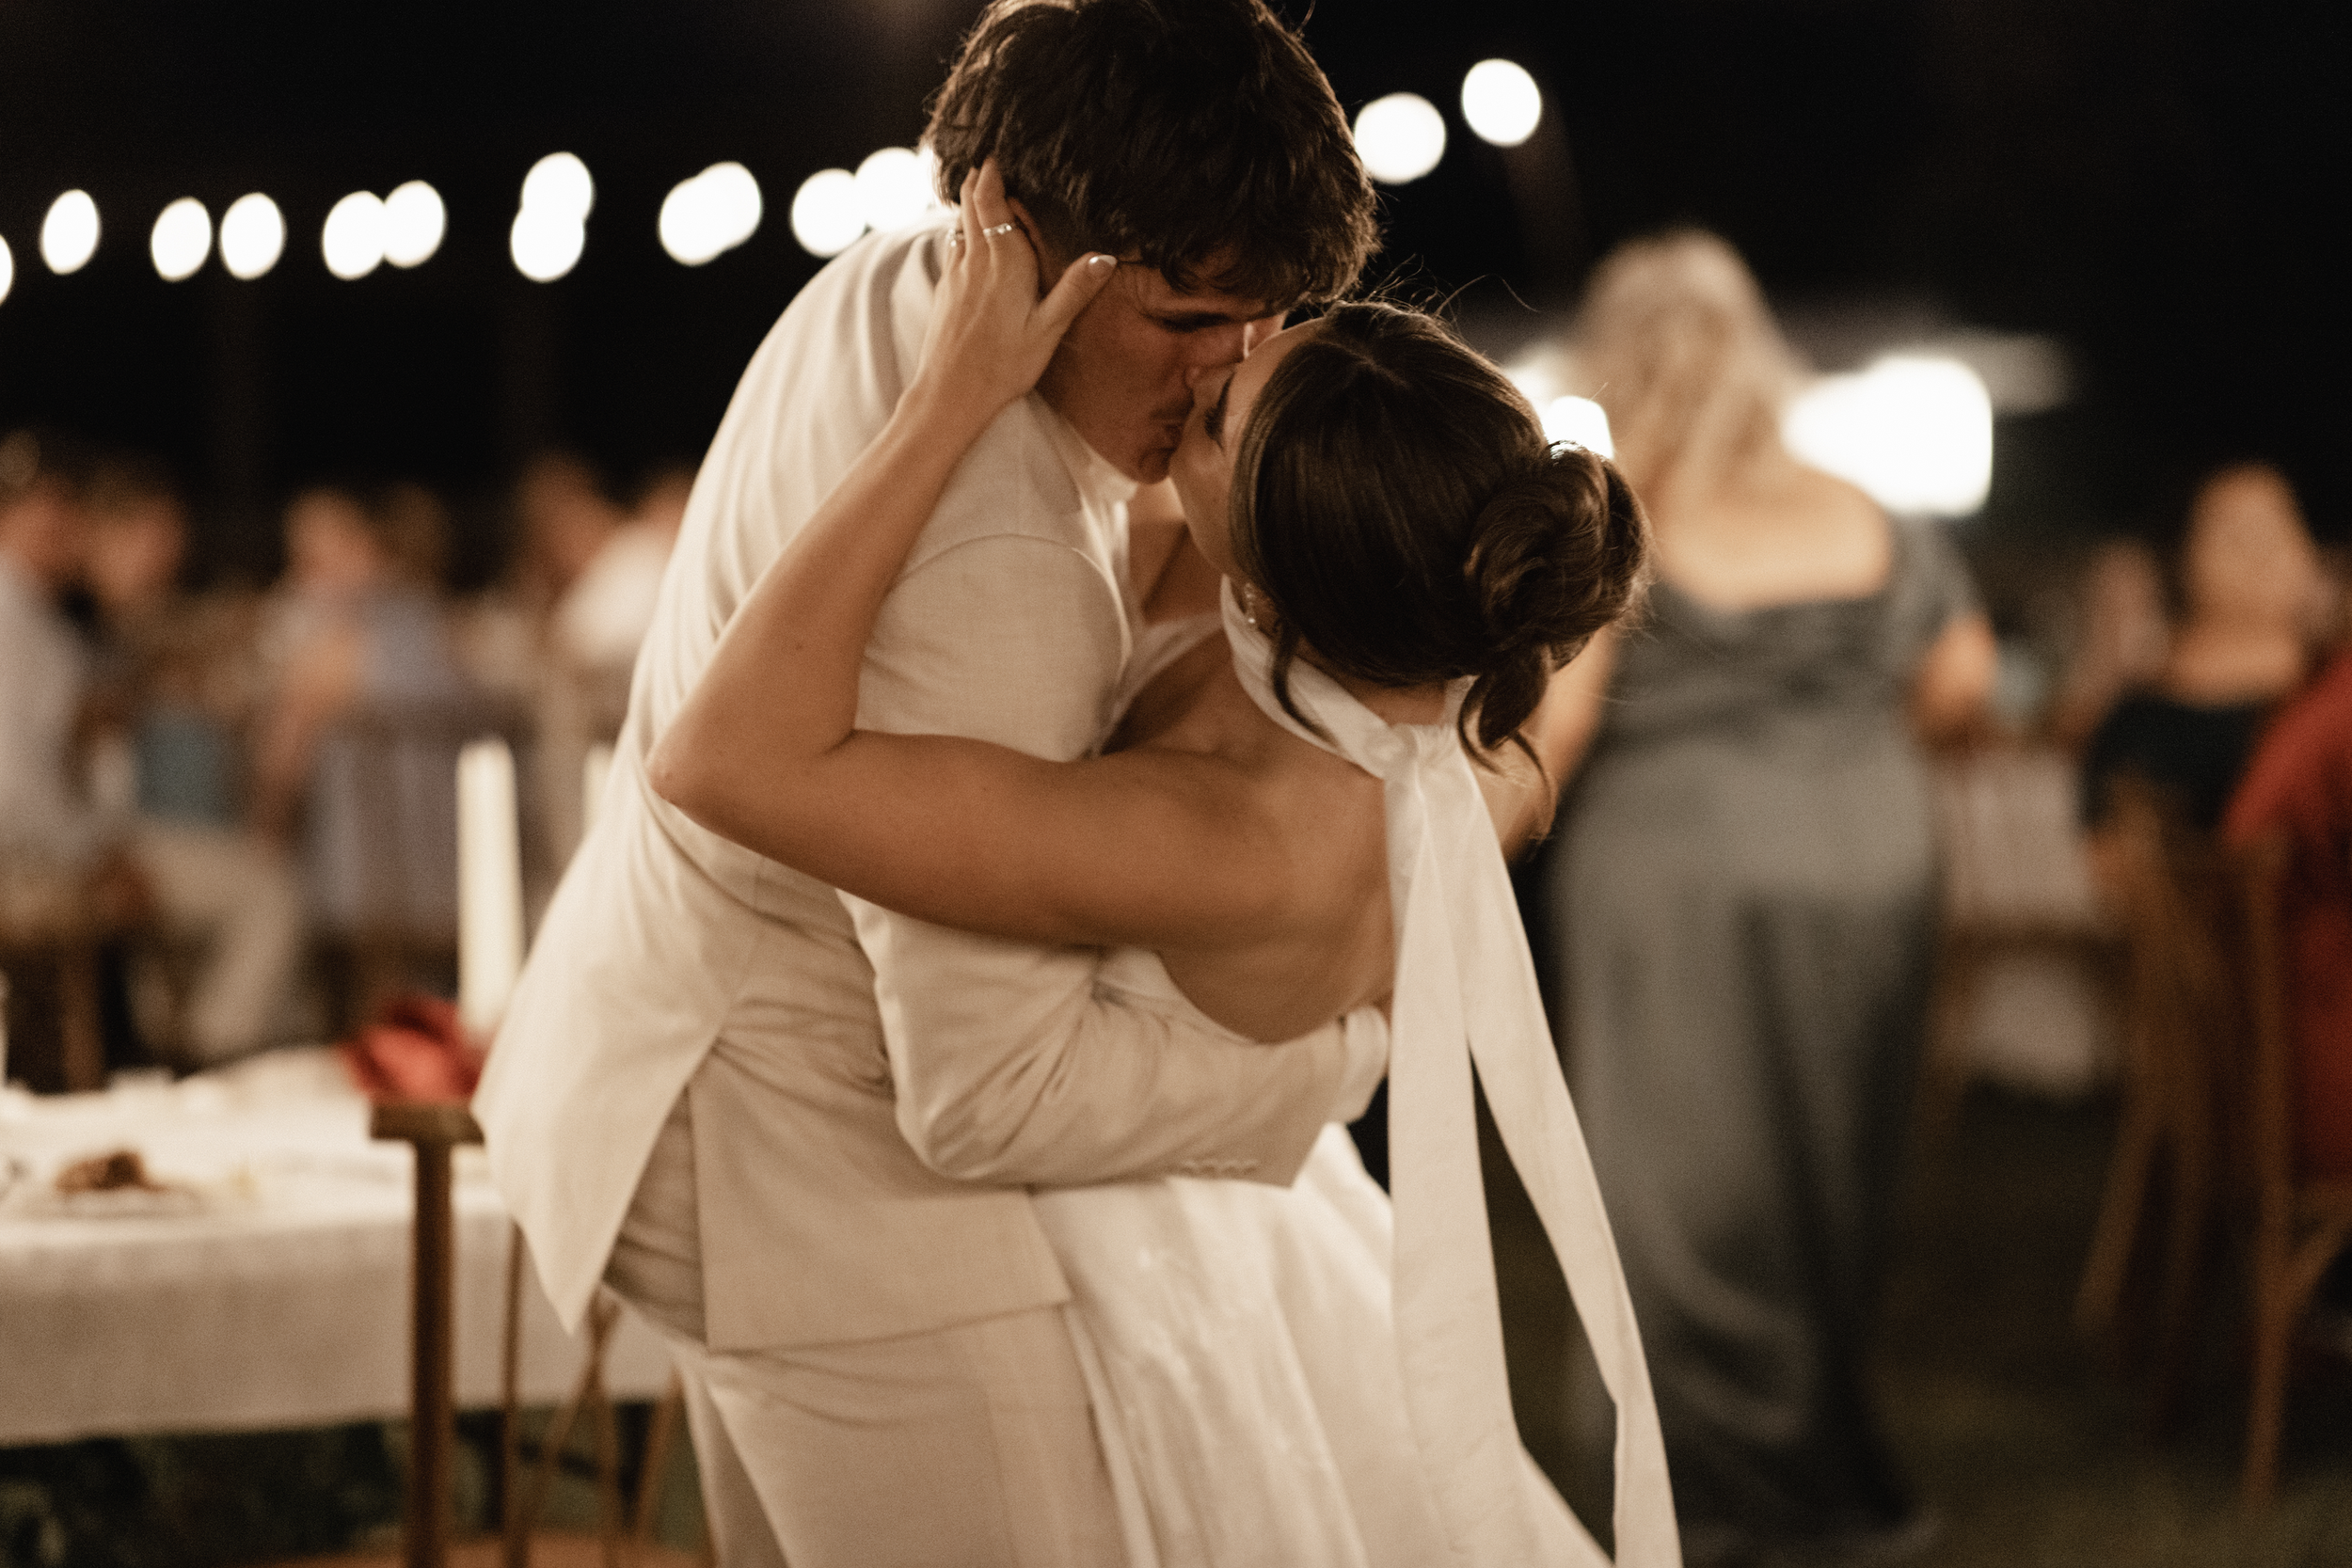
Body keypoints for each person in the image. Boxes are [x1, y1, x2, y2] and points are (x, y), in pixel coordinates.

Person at [475, 5, 1400, 1563]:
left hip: (681, 1070)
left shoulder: (898, 285)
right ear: (1019, 245)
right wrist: (1326, 1080)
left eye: (1269, 320)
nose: (1230, 376)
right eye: (1189, 319)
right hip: (806, 1177)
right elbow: (987, 1091)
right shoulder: (993, 552)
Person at [652, 166, 1676, 1568]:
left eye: (1218, 411)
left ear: (1264, 575)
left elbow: (723, 762)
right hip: (1272, 1236)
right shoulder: (1433, 703)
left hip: (1108, 1271)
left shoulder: (1220, 830)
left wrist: (948, 399)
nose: (1225, 353)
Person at [1533, 231, 1994, 1564]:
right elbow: (1961, 684)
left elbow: (1554, 738)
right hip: (1871, 859)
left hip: (1685, 878)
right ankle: (1831, 1475)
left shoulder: (1622, 503)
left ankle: (1719, 1505)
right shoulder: (1868, 509)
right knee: (1828, 1178)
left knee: (1686, 1195)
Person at [79, 458, 303, 1066]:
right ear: (107, 532)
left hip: (154, 833)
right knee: (269, 892)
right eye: (155, 533)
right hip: (97, 841)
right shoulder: (80, 618)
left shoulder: (148, 623)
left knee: (253, 874)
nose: (170, 550)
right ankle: (209, 1057)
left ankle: (200, 1048)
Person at [2080, 463, 2326, 838]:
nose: (2259, 554)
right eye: (2234, 535)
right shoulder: (2136, 731)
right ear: (2183, 557)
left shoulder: (2333, 701)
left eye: (2275, 528)